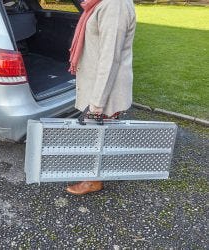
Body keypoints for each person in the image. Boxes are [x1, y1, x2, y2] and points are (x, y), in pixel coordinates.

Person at [66, 0, 136, 195]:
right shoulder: (100, 3)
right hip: (98, 84)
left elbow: (110, 57)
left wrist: (97, 104)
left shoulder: (115, 5)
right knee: (96, 135)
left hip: (106, 89)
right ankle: (93, 176)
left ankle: (92, 181)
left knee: (98, 135)